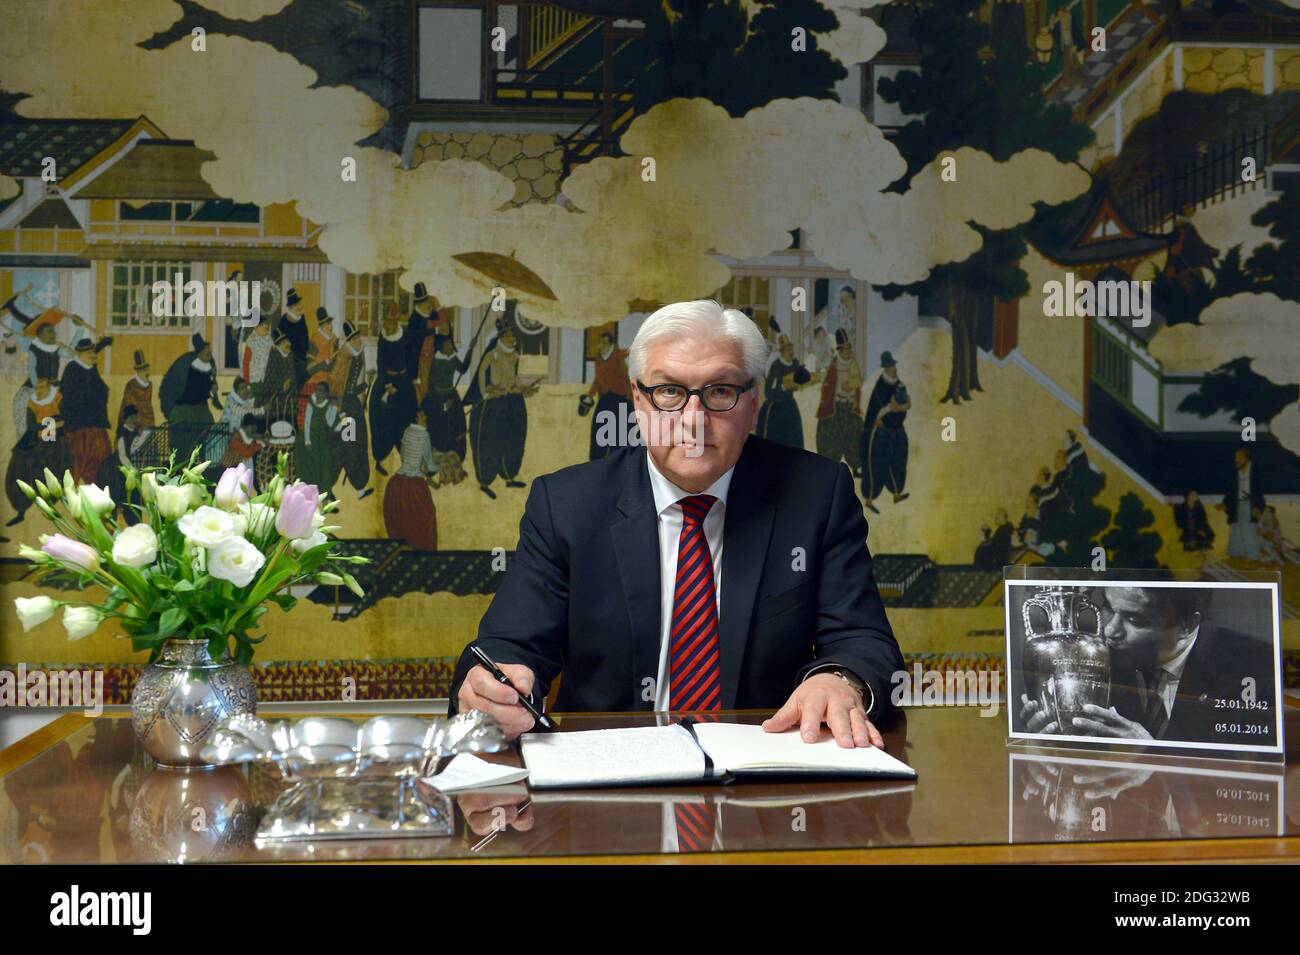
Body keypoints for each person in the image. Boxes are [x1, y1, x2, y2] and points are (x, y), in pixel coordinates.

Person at [449, 299, 904, 748]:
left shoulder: (817, 495)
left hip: (766, 783)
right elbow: (507, 648)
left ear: (753, 403)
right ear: (638, 400)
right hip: (608, 782)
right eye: (669, 392)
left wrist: (839, 680)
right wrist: (494, 689)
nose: (692, 421)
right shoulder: (567, 506)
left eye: (720, 391)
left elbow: (863, 640)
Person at [1019, 585, 1277, 746]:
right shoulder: (1098, 661)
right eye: (1108, 607)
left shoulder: (1248, 670)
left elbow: (1239, 779)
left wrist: (1154, 756)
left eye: (1134, 619)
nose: (1110, 630)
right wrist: (1052, 739)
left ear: (1186, 626)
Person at [465, 319, 535, 499]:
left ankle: (509, 476)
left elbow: (514, 378)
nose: (513, 338)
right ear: (502, 337)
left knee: (512, 439)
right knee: (489, 442)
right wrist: (484, 392)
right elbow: (481, 373)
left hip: (511, 401)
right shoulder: (493, 353)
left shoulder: (515, 355)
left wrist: (524, 388)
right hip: (494, 402)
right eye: (510, 335)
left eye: (512, 335)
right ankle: (484, 482)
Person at [4, 377, 67, 526]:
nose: (38, 391)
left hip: (55, 443)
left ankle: (50, 507)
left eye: (42, 387)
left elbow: (65, 419)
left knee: (52, 472)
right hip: (35, 441)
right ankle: (20, 511)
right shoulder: (32, 403)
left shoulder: (57, 399)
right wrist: (49, 425)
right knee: (21, 468)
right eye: (37, 388)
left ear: (48, 388)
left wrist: (57, 424)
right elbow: (31, 426)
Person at [859, 351, 911, 514]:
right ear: (885, 368)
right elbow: (878, 410)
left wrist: (904, 405)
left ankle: (896, 492)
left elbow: (904, 405)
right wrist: (891, 408)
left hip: (896, 428)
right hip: (880, 429)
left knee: (898, 460)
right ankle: (869, 498)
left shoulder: (900, 384)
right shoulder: (880, 386)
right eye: (890, 366)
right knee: (875, 464)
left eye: (894, 365)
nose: (894, 369)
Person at [370, 304, 417, 475]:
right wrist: (388, 385)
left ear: (396, 321)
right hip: (387, 380)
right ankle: (379, 459)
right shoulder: (383, 339)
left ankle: (408, 461)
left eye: (392, 321)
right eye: (386, 321)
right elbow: (380, 363)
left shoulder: (405, 336)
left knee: (406, 418)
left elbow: (412, 358)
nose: (388, 325)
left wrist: (410, 378)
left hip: (403, 381)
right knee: (381, 417)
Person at [160, 332, 220, 463]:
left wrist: (213, 393)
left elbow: (209, 385)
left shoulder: (208, 363)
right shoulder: (189, 366)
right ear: (199, 352)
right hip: (182, 410)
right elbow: (193, 392)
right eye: (206, 350)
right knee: (182, 446)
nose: (209, 353)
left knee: (205, 436)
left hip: (198, 410)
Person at [383, 407, 438, 550]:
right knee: (425, 519)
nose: (425, 416)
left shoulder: (407, 431)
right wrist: (434, 469)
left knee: (400, 520)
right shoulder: (424, 434)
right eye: (422, 415)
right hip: (414, 485)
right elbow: (428, 460)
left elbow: (403, 453)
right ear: (417, 418)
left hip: (397, 482)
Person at [330, 321, 373, 500]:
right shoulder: (343, 357)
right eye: (354, 338)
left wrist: (365, 383)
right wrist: (340, 412)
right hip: (344, 410)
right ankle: (327, 488)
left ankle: (360, 488)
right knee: (347, 446)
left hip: (354, 407)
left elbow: (355, 386)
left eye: (358, 337)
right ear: (349, 340)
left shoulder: (358, 353)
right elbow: (336, 385)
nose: (358, 341)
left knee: (359, 444)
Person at [60, 338, 112, 485]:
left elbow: (100, 389)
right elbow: (70, 397)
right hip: (78, 427)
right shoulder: (72, 368)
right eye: (89, 352)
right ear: (80, 354)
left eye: (93, 351)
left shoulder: (92, 367)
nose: (93, 355)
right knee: (76, 461)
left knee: (101, 458)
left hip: (95, 425)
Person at [815, 328, 863, 474]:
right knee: (831, 437)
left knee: (854, 436)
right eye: (845, 349)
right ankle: (830, 467)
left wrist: (851, 384)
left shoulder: (853, 363)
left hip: (849, 407)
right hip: (836, 407)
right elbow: (827, 384)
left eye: (849, 348)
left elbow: (858, 381)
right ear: (840, 350)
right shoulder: (834, 365)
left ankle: (855, 466)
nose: (848, 352)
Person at [756, 334, 812, 449]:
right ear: (781, 351)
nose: (791, 352)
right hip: (776, 409)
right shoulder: (776, 366)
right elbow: (768, 392)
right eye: (788, 349)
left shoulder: (795, 363)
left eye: (791, 348)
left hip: (790, 407)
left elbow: (801, 378)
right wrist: (783, 387)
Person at [584, 331, 632, 461]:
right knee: (599, 436)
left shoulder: (616, 353)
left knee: (620, 438)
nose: (601, 345)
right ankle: (596, 469)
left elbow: (628, 352)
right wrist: (590, 395)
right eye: (600, 342)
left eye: (604, 342)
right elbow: (598, 379)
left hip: (621, 400)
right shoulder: (599, 358)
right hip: (605, 399)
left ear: (610, 344)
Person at [1221, 448, 1264, 561]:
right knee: (1236, 529)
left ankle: (1253, 557)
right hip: (1237, 505)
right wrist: (1224, 503)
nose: (1236, 460)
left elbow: (1259, 491)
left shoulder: (1255, 471)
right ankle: (1236, 556)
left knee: (1250, 531)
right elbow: (1230, 491)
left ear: (1246, 458)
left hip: (1251, 505)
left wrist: (1257, 507)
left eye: (1239, 457)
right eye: (1235, 457)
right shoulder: (1235, 473)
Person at [276, 287, 310, 388]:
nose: (299, 307)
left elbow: (305, 335)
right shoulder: (284, 320)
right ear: (290, 308)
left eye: (299, 304)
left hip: (302, 357)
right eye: (296, 305)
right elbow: (279, 341)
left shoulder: (302, 317)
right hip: (290, 359)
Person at [119, 350, 156, 430]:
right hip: (134, 423)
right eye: (143, 370)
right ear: (138, 371)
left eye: (147, 369)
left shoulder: (150, 385)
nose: (146, 372)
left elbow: (148, 404)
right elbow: (127, 406)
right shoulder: (131, 385)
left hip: (149, 422)